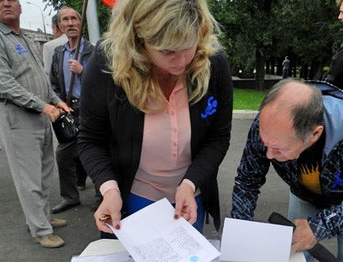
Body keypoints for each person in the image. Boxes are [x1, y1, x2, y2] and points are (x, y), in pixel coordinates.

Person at [77, 0, 233, 237]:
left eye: (188, 47)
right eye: (167, 51)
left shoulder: (214, 62)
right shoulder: (106, 62)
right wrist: (109, 190)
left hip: (191, 193)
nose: (181, 62)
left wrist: (191, 183)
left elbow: (218, 137)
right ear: (139, 38)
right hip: (129, 194)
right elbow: (90, 140)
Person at [231, 79, 343, 262]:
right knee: (294, 253)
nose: (268, 155)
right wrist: (240, 231)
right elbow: (248, 179)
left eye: (278, 149)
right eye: (265, 144)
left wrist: (319, 226)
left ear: (315, 133)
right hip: (304, 194)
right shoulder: (268, 124)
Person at [0, 0, 71, 248]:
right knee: (27, 176)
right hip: (18, 113)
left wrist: (56, 101)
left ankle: (42, 217)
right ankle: (40, 230)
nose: (6, 3)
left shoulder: (25, 38)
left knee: (43, 172)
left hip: (41, 111)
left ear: (20, 7)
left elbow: (41, 79)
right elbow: (4, 83)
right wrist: (44, 105)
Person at [49, 7, 100, 214]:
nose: (70, 23)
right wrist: (59, 103)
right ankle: (70, 197)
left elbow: (106, 79)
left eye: (73, 19)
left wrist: (83, 71)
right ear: (60, 26)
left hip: (90, 108)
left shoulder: (94, 50)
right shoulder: (58, 52)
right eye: (65, 20)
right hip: (68, 110)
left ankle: (102, 196)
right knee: (63, 155)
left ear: (80, 23)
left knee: (96, 153)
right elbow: (53, 83)